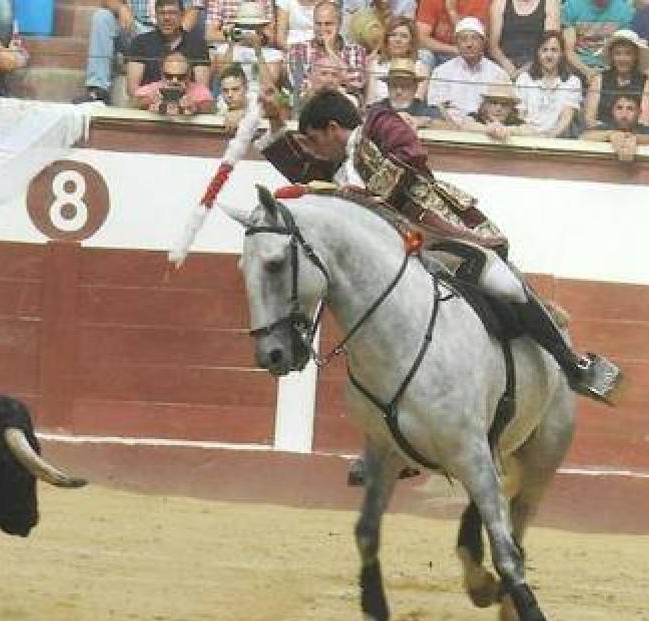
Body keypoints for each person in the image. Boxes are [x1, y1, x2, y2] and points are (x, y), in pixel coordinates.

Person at [253, 87, 623, 404]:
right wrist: (274, 122)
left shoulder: (379, 123)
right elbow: (302, 170)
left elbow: (409, 158)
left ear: (333, 129)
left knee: (505, 285)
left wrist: (353, 193)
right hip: (392, 255)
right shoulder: (333, 168)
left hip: (436, 236)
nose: (314, 153)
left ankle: (571, 364)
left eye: (315, 141)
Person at [75, 0, 200, 104]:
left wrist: (174, 35)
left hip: (170, 29)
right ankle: (98, 90)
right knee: (102, 17)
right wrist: (121, 7)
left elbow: (193, 10)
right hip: (134, 28)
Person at [427, 16, 510, 125]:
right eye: (463, 39)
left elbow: (507, 110)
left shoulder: (499, 74)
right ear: (456, 43)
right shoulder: (441, 72)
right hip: (450, 129)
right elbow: (435, 108)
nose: (469, 44)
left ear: (483, 42)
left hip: (487, 131)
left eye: (474, 38)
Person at [126, 0, 211, 97]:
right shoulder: (140, 42)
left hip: (188, 104)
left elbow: (203, 90)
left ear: (182, 14)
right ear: (155, 16)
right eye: (162, 13)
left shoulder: (197, 44)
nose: (166, 18)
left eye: (172, 13)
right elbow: (132, 90)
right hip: (148, 105)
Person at [286, 1, 366, 102]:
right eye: (318, 24)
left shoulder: (355, 50)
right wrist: (339, 80)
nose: (322, 29)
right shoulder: (297, 50)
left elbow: (357, 83)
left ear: (339, 24)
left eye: (328, 24)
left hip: (345, 104)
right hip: (312, 103)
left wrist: (330, 50)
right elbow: (300, 84)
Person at [514, 30, 581, 137]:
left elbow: (566, 117)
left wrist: (549, 138)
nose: (549, 55)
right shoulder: (524, 79)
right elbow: (520, 115)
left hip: (557, 140)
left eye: (554, 50)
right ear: (537, 53)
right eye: (544, 50)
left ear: (562, 53)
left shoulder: (573, 81)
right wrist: (531, 136)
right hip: (527, 136)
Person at [582, 29, 648, 129]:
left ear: (635, 57)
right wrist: (610, 134)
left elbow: (644, 120)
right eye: (618, 53)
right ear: (612, 56)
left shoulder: (646, 82)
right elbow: (589, 119)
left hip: (636, 136)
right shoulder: (599, 79)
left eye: (628, 53)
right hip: (601, 134)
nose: (622, 58)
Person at [562, 0, 635, 82]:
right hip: (578, 69)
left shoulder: (624, 10)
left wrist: (604, 75)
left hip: (610, 70)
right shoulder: (572, 6)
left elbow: (623, 51)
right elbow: (568, 51)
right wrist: (588, 72)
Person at [365, 17, 433, 102]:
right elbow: (369, 101)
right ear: (386, 40)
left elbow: (418, 102)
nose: (398, 40)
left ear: (411, 43)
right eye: (393, 35)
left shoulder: (421, 68)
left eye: (404, 36)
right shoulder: (375, 65)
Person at [370, 56, 448, 128]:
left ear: (415, 87)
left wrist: (424, 121)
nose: (399, 91)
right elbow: (365, 124)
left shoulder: (426, 109)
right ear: (388, 86)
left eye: (405, 86)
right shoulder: (377, 108)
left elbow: (451, 128)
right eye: (394, 86)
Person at [486, 0, 558, 76]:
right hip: (504, 66)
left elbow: (551, 45)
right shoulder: (500, 3)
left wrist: (527, 69)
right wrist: (509, 67)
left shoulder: (550, 3)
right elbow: (493, 47)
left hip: (538, 65)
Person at [133, 49, 216, 114]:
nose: (174, 81)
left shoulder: (200, 90)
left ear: (189, 74)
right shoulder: (151, 89)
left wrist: (196, 107)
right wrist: (149, 101)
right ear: (162, 73)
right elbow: (132, 103)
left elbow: (211, 108)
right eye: (169, 76)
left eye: (181, 77)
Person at [415, 0, 491, 65]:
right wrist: (454, 50)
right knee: (424, 55)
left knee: (472, 57)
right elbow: (421, 39)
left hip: (466, 55)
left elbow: (477, 42)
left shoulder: (481, 2)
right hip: (436, 52)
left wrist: (452, 11)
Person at [580, 91, 649, 161]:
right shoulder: (605, 128)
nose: (624, 114)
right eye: (619, 108)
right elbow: (583, 136)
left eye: (630, 109)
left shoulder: (644, 130)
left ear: (639, 112)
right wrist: (611, 135)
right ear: (612, 111)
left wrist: (636, 139)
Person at [460, 79, 538, 138]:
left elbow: (531, 131)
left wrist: (507, 130)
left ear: (511, 108)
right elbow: (465, 126)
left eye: (504, 104)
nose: (498, 109)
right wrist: (488, 129)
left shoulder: (516, 122)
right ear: (485, 105)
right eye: (494, 103)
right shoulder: (474, 117)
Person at [216, 62, 251, 130]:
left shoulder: (257, 101)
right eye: (225, 90)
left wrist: (243, 113)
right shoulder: (220, 104)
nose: (229, 95)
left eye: (235, 89)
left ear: (246, 88)